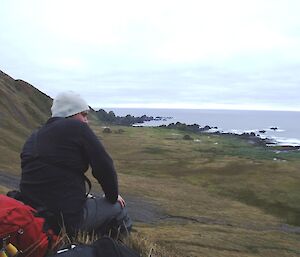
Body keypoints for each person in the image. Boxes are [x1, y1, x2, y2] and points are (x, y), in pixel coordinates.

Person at [19, 91, 132, 236]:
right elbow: (104, 166)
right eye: (83, 115)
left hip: (35, 219)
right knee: (118, 208)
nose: (86, 121)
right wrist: (112, 196)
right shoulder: (77, 128)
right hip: (67, 221)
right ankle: (121, 248)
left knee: (90, 201)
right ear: (70, 113)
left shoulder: (33, 136)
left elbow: (50, 178)